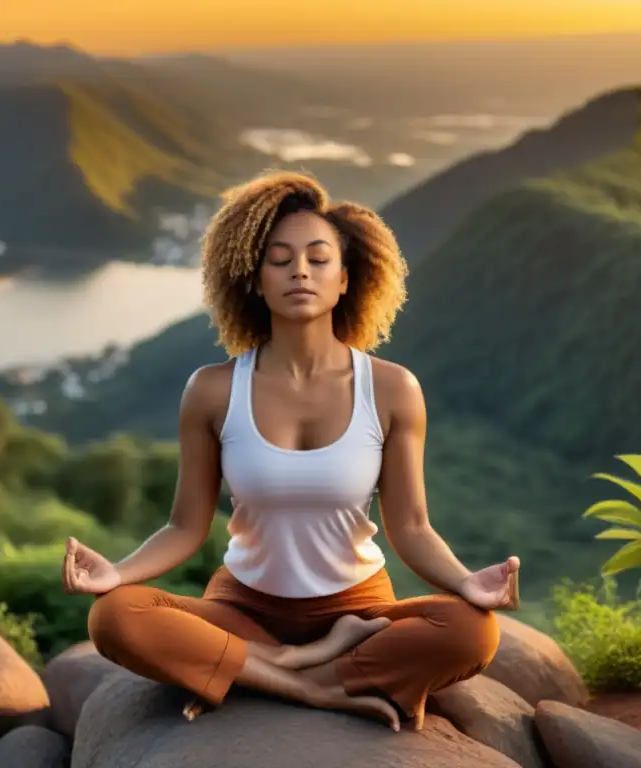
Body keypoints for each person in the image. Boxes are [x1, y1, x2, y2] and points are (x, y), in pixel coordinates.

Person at [61, 170, 520, 733]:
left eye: (318, 258)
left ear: (348, 278)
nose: (299, 270)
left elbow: (414, 527)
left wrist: (467, 582)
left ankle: (253, 675)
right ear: (254, 280)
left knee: (474, 631)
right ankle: (308, 676)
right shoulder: (212, 390)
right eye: (279, 259)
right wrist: (117, 572)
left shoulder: (394, 389)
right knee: (114, 617)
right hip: (244, 610)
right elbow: (184, 527)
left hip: (360, 611)